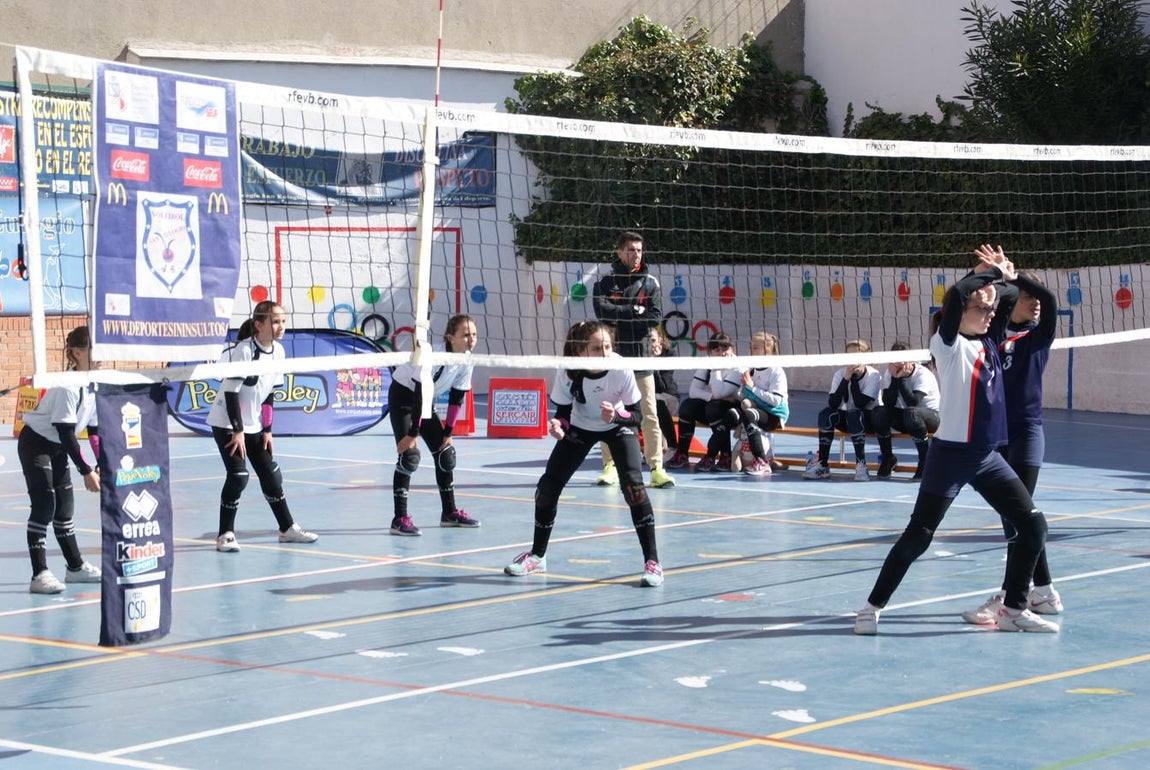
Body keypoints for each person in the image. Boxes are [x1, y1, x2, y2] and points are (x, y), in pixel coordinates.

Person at [854, 244, 1059, 634]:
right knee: (918, 537)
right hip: (950, 456)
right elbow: (954, 296)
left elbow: (1016, 297)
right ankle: (870, 608)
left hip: (987, 458)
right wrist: (986, 274)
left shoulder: (991, 339)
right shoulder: (947, 346)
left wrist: (1004, 274)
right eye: (980, 309)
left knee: (1033, 526)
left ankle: (1014, 608)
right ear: (959, 314)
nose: (988, 313)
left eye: (989, 310)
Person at [504, 320, 663, 586]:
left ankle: (653, 563)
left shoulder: (619, 366)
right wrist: (559, 427)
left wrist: (617, 415)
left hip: (617, 426)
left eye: (608, 346)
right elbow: (563, 414)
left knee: (634, 488)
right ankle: (537, 556)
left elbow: (636, 416)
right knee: (546, 488)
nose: (605, 353)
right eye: (597, 348)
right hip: (582, 427)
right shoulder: (570, 370)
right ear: (581, 351)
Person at [962, 270, 1063, 624]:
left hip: (1027, 433)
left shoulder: (1039, 335)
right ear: (1010, 301)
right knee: (1019, 516)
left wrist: (1015, 276)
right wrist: (986, 277)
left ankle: (1009, 596)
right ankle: (1045, 592)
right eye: (1026, 297)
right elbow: (963, 303)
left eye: (1035, 298)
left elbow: (1048, 299)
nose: (1035, 303)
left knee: (1019, 517)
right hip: (996, 434)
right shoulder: (991, 334)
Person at [206, 301, 319, 552]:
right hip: (227, 421)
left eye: (283, 321)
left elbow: (269, 394)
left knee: (271, 475)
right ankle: (225, 534)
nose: (281, 327)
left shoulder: (278, 351)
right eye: (275, 321)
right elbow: (231, 393)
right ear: (258, 325)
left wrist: (267, 429)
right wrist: (238, 431)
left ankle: (287, 528)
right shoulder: (245, 351)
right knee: (238, 475)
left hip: (254, 423)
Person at [18, 325, 103, 594]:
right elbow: (67, 434)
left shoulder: (95, 383)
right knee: (45, 506)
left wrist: (100, 461)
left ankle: (75, 567)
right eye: (94, 349)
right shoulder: (68, 385)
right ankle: (39, 574)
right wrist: (86, 470)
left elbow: (94, 430)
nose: (101, 355)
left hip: (57, 447)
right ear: (76, 353)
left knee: (65, 509)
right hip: (36, 443)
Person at [592, 231, 675, 489]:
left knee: (649, 415)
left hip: (641, 358)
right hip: (614, 359)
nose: (635, 254)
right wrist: (634, 310)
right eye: (630, 250)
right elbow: (602, 312)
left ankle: (656, 468)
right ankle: (610, 466)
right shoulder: (605, 282)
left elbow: (655, 317)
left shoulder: (651, 283)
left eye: (639, 250)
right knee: (609, 413)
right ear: (619, 251)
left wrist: (622, 316)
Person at [387, 314, 482, 536]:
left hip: (424, 400)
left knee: (445, 453)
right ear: (450, 337)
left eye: (474, 335)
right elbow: (420, 394)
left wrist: (448, 432)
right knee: (409, 456)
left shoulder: (467, 359)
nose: (471, 339)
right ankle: (399, 518)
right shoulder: (434, 356)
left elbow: (457, 397)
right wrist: (413, 434)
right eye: (465, 335)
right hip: (404, 396)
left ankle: (449, 513)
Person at [713, 331, 790, 476]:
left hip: (774, 414)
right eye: (751, 346)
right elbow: (744, 395)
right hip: (756, 410)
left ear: (766, 351)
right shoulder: (752, 370)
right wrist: (740, 394)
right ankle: (715, 456)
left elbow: (776, 400)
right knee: (730, 414)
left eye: (755, 347)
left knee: (748, 415)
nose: (751, 350)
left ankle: (762, 462)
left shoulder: (776, 371)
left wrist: (752, 388)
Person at [802, 339, 880, 482]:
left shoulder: (873, 375)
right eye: (849, 355)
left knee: (854, 414)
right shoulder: (840, 374)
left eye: (856, 355)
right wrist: (845, 379)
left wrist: (855, 379)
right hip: (850, 418)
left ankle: (861, 465)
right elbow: (833, 403)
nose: (852, 359)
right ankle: (822, 465)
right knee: (826, 415)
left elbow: (861, 403)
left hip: (868, 420)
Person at [665, 332, 735, 471]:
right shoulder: (707, 362)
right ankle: (683, 453)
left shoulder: (738, 367)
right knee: (687, 406)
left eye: (725, 349)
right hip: (714, 406)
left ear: (732, 349)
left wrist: (715, 371)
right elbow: (693, 391)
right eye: (717, 350)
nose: (722, 354)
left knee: (714, 408)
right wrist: (712, 396)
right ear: (710, 352)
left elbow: (721, 392)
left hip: (734, 411)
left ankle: (725, 456)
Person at [871, 341, 940, 480]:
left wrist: (901, 379)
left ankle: (925, 462)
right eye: (895, 360)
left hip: (931, 417)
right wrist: (895, 379)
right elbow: (888, 403)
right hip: (908, 417)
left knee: (912, 413)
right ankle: (888, 458)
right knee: (879, 413)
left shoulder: (922, 374)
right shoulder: (890, 373)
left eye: (901, 360)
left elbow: (913, 402)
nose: (898, 364)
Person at [649, 326, 680, 459]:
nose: (650, 344)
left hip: (668, 396)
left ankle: (673, 446)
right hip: (648, 396)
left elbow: (662, 386)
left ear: (660, 340)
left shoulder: (668, 354)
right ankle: (654, 448)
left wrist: (654, 362)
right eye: (647, 341)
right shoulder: (638, 354)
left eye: (653, 340)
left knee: (656, 402)